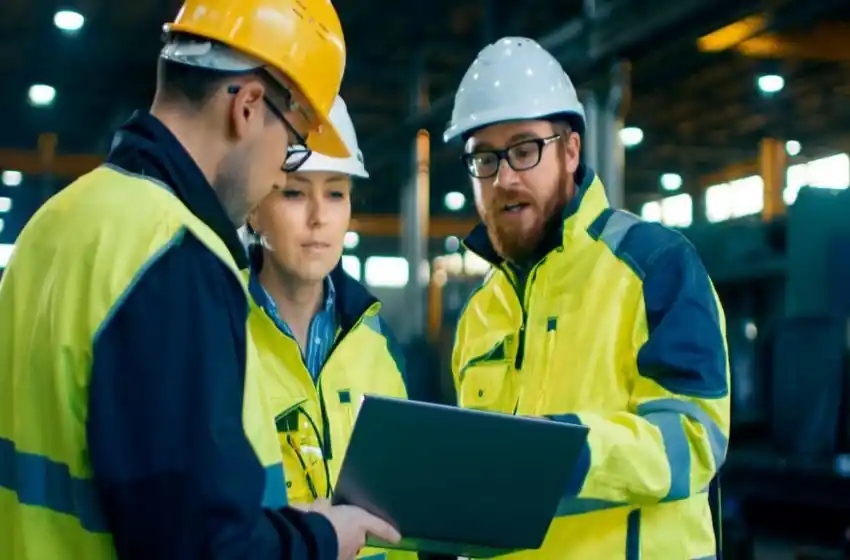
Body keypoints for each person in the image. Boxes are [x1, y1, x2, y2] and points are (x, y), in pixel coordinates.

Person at [0, 1, 400, 559]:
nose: (277, 172)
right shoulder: (175, 257)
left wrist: (276, 526)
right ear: (247, 107)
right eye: (292, 144)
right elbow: (201, 545)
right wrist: (320, 539)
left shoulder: (57, 222)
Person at [443, 37, 730, 559]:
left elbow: (694, 440)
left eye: (524, 150)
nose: (504, 177)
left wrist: (560, 452)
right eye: (484, 157)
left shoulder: (656, 266)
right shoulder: (480, 312)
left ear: (570, 151)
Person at [243, 96, 417, 560]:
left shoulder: (377, 342)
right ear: (254, 210)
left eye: (336, 194)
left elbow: (402, 513)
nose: (319, 216)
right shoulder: (220, 333)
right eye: (295, 193)